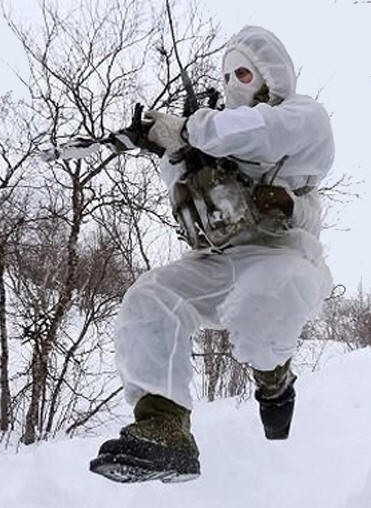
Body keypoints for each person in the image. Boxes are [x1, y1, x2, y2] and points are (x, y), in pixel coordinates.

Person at [89, 25, 334, 483]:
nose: (232, 86)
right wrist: (174, 152)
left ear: (271, 76)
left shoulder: (302, 117)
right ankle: (164, 427)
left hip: (279, 255)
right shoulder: (214, 135)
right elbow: (188, 191)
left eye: (243, 73)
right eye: (225, 78)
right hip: (219, 260)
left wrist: (187, 129)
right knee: (151, 298)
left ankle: (274, 379)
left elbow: (261, 133)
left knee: (268, 300)